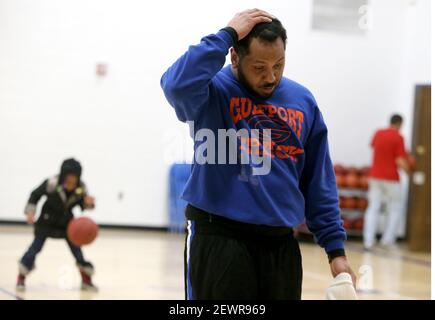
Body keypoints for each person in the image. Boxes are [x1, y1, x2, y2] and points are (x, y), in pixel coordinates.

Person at [161, 9, 355, 299]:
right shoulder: (211, 92)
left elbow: (319, 181)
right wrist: (225, 35)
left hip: (280, 244)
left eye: (279, 64)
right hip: (219, 238)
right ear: (235, 57)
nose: (271, 76)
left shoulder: (303, 101)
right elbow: (175, 84)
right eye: (260, 67)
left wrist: (335, 250)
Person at [16, 158, 97, 291]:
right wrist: (30, 212)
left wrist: (89, 203)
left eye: (74, 177)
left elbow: (84, 204)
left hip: (67, 224)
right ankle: (21, 277)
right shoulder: (51, 183)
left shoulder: (81, 188)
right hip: (46, 221)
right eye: (69, 176)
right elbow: (35, 195)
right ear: (63, 175)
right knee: (35, 248)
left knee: (77, 250)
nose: (71, 180)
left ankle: (86, 280)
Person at [363, 114, 410, 250]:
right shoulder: (399, 137)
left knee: (373, 207)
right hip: (391, 178)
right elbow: (400, 161)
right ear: (400, 124)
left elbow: (372, 146)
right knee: (395, 207)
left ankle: (368, 241)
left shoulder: (378, 133)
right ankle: (387, 240)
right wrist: (409, 172)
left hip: (375, 176)